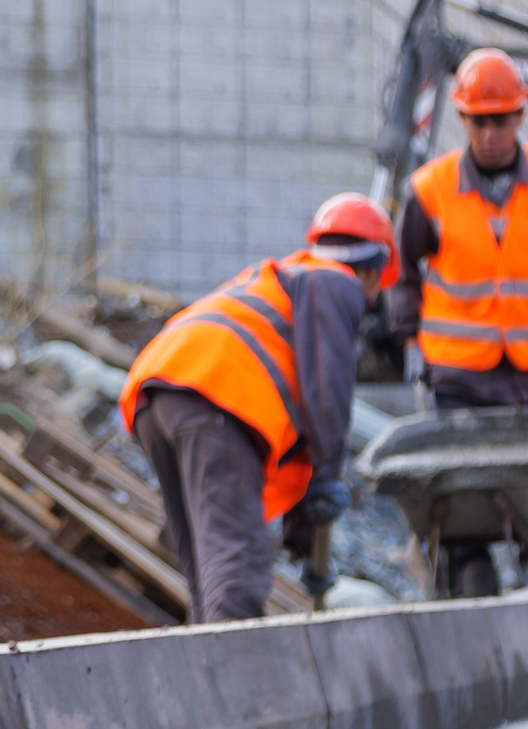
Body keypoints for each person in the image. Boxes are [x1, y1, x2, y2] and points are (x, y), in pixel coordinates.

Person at [384, 48, 528, 580]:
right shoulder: (430, 190)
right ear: (462, 118)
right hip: (458, 380)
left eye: (501, 120)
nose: (490, 134)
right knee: (455, 510)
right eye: (479, 122)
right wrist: (408, 339)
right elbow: (401, 273)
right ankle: (465, 587)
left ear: (521, 115)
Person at [117, 194, 393, 623]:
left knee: (206, 574)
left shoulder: (285, 278)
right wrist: (328, 474)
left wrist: (306, 542)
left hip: (158, 391)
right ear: (373, 272)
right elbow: (328, 391)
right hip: (215, 396)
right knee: (236, 572)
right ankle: (241, 666)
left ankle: (207, 661)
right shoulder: (337, 283)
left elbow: (307, 406)